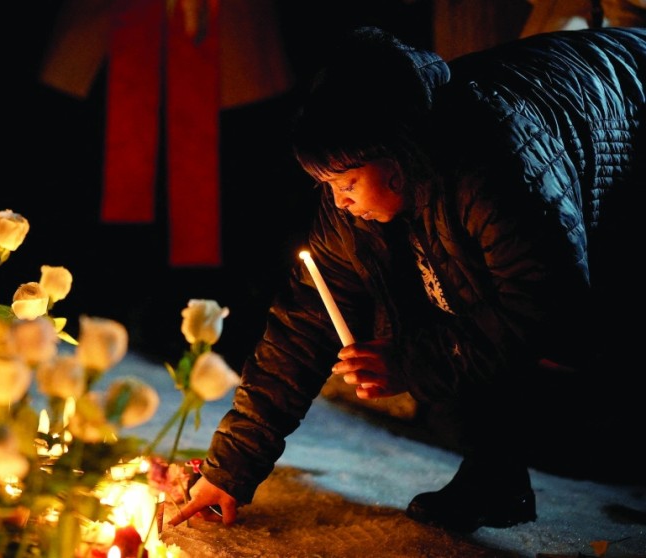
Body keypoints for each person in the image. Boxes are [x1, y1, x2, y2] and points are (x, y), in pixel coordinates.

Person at [166, 25, 646, 533]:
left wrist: (411, 363)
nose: (339, 201)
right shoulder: (356, 185)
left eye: (347, 183)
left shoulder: (497, 165)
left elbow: (546, 307)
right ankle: (495, 479)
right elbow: (303, 325)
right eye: (327, 185)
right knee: (432, 313)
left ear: (398, 158)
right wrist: (229, 470)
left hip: (626, 120)